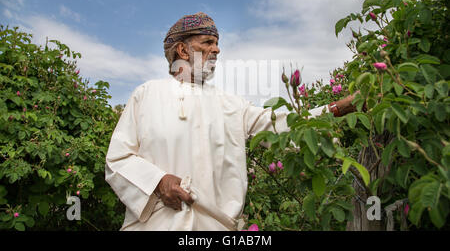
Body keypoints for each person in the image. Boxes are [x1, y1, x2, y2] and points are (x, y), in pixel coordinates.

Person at [104, 12, 357, 231]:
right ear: (182, 50)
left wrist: (340, 107)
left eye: (217, 44)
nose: (217, 50)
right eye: (208, 42)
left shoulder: (231, 104)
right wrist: (159, 182)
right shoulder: (147, 94)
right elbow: (118, 159)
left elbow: (278, 125)